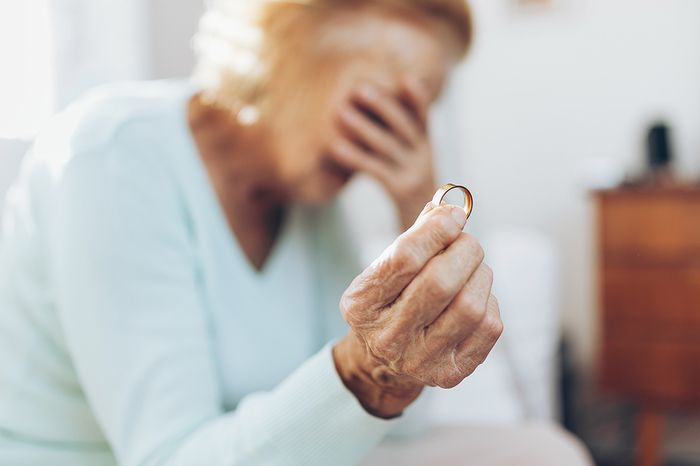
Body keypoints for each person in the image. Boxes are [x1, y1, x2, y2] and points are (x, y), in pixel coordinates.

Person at [0, 1, 591, 465]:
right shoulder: (109, 155)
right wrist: (363, 369)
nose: (392, 143)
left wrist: (418, 210)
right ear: (286, 49)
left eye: (416, 114)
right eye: (378, 109)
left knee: (547, 455)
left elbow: (397, 423)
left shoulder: (306, 200)